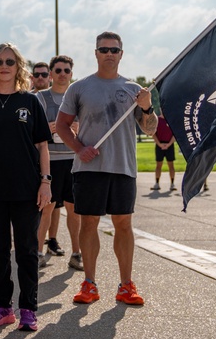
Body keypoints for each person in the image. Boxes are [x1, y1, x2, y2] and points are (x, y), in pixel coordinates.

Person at [55, 32, 157, 306]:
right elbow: (62, 125)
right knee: (89, 223)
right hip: (89, 168)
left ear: (121, 53)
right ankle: (89, 283)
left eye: (114, 49)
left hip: (123, 167)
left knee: (123, 224)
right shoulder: (81, 87)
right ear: (96, 53)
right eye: (104, 49)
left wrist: (147, 108)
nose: (109, 53)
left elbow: (150, 129)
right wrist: (79, 148)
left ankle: (126, 286)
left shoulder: (134, 89)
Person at [0, 43, 51, 332]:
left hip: (27, 189)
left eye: (10, 62)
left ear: (19, 67)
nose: (4, 66)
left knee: (27, 250)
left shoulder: (30, 102)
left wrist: (45, 182)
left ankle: (28, 308)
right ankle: (3, 307)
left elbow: (42, 146)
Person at [35, 55, 82, 271]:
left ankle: (76, 253)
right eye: (58, 70)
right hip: (50, 161)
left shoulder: (79, 97)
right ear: (51, 73)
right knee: (47, 208)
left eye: (67, 70)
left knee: (75, 210)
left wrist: (76, 131)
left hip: (73, 160)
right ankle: (37, 252)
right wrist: (49, 128)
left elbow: (89, 127)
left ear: (72, 74)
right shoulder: (41, 98)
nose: (62, 74)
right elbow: (31, 129)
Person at [151, 112, 177, 192]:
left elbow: (175, 134)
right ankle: (157, 183)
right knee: (159, 165)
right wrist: (159, 144)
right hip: (159, 145)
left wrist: (169, 144)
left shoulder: (171, 120)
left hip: (170, 145)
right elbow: (153, 134)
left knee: (171, 165)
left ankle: (172, 184)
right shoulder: (157, 120)